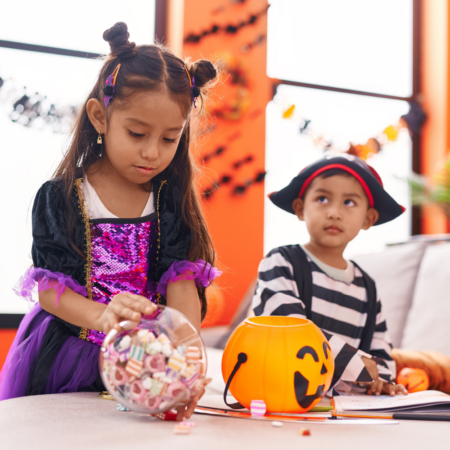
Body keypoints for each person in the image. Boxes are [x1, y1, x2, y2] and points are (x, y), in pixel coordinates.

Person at [0, 23, 221, 419]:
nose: (152, 152)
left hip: (143, 363)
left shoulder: (170, 204)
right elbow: (51, 292)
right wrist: (102, 316)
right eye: (137, 133)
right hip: (66, 354)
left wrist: (183, 360)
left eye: (170, 139)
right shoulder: (61, 197)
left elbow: (183, 292)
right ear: (100, 117)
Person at [252, 155, 408, 397]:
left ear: (368, 219)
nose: (334, 213)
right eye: (322, 199)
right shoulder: (281, 262)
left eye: (349, 202)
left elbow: (381, 350)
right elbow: (288, 328)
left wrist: (382, 380)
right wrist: (358, 365)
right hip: (282, 393)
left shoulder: (367, 287)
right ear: (300, 209)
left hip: (344, 407)